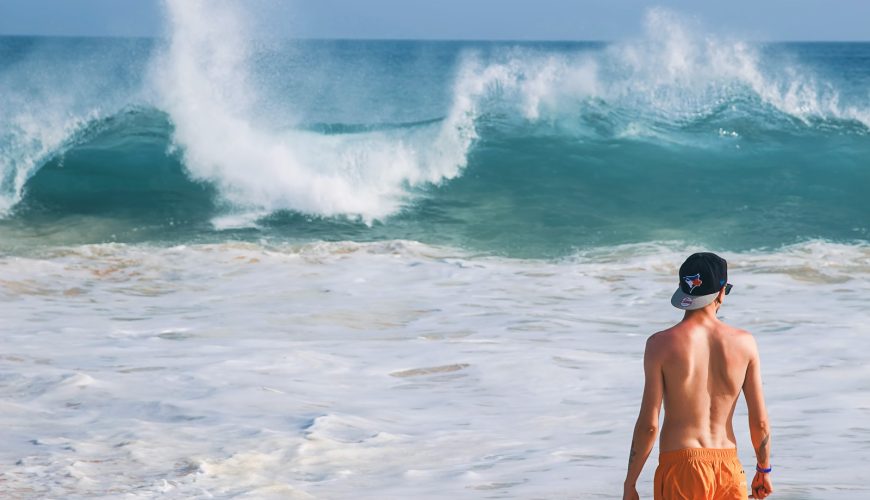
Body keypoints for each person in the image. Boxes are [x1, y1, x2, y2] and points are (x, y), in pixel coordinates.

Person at [622, 252, 773, 500]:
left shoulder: (660, 344)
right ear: (722, 291)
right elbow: (760, 423)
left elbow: (649, 425)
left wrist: (631, 483)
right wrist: (763, 469)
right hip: (729, 468)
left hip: (681, 467)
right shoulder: (746, 344)